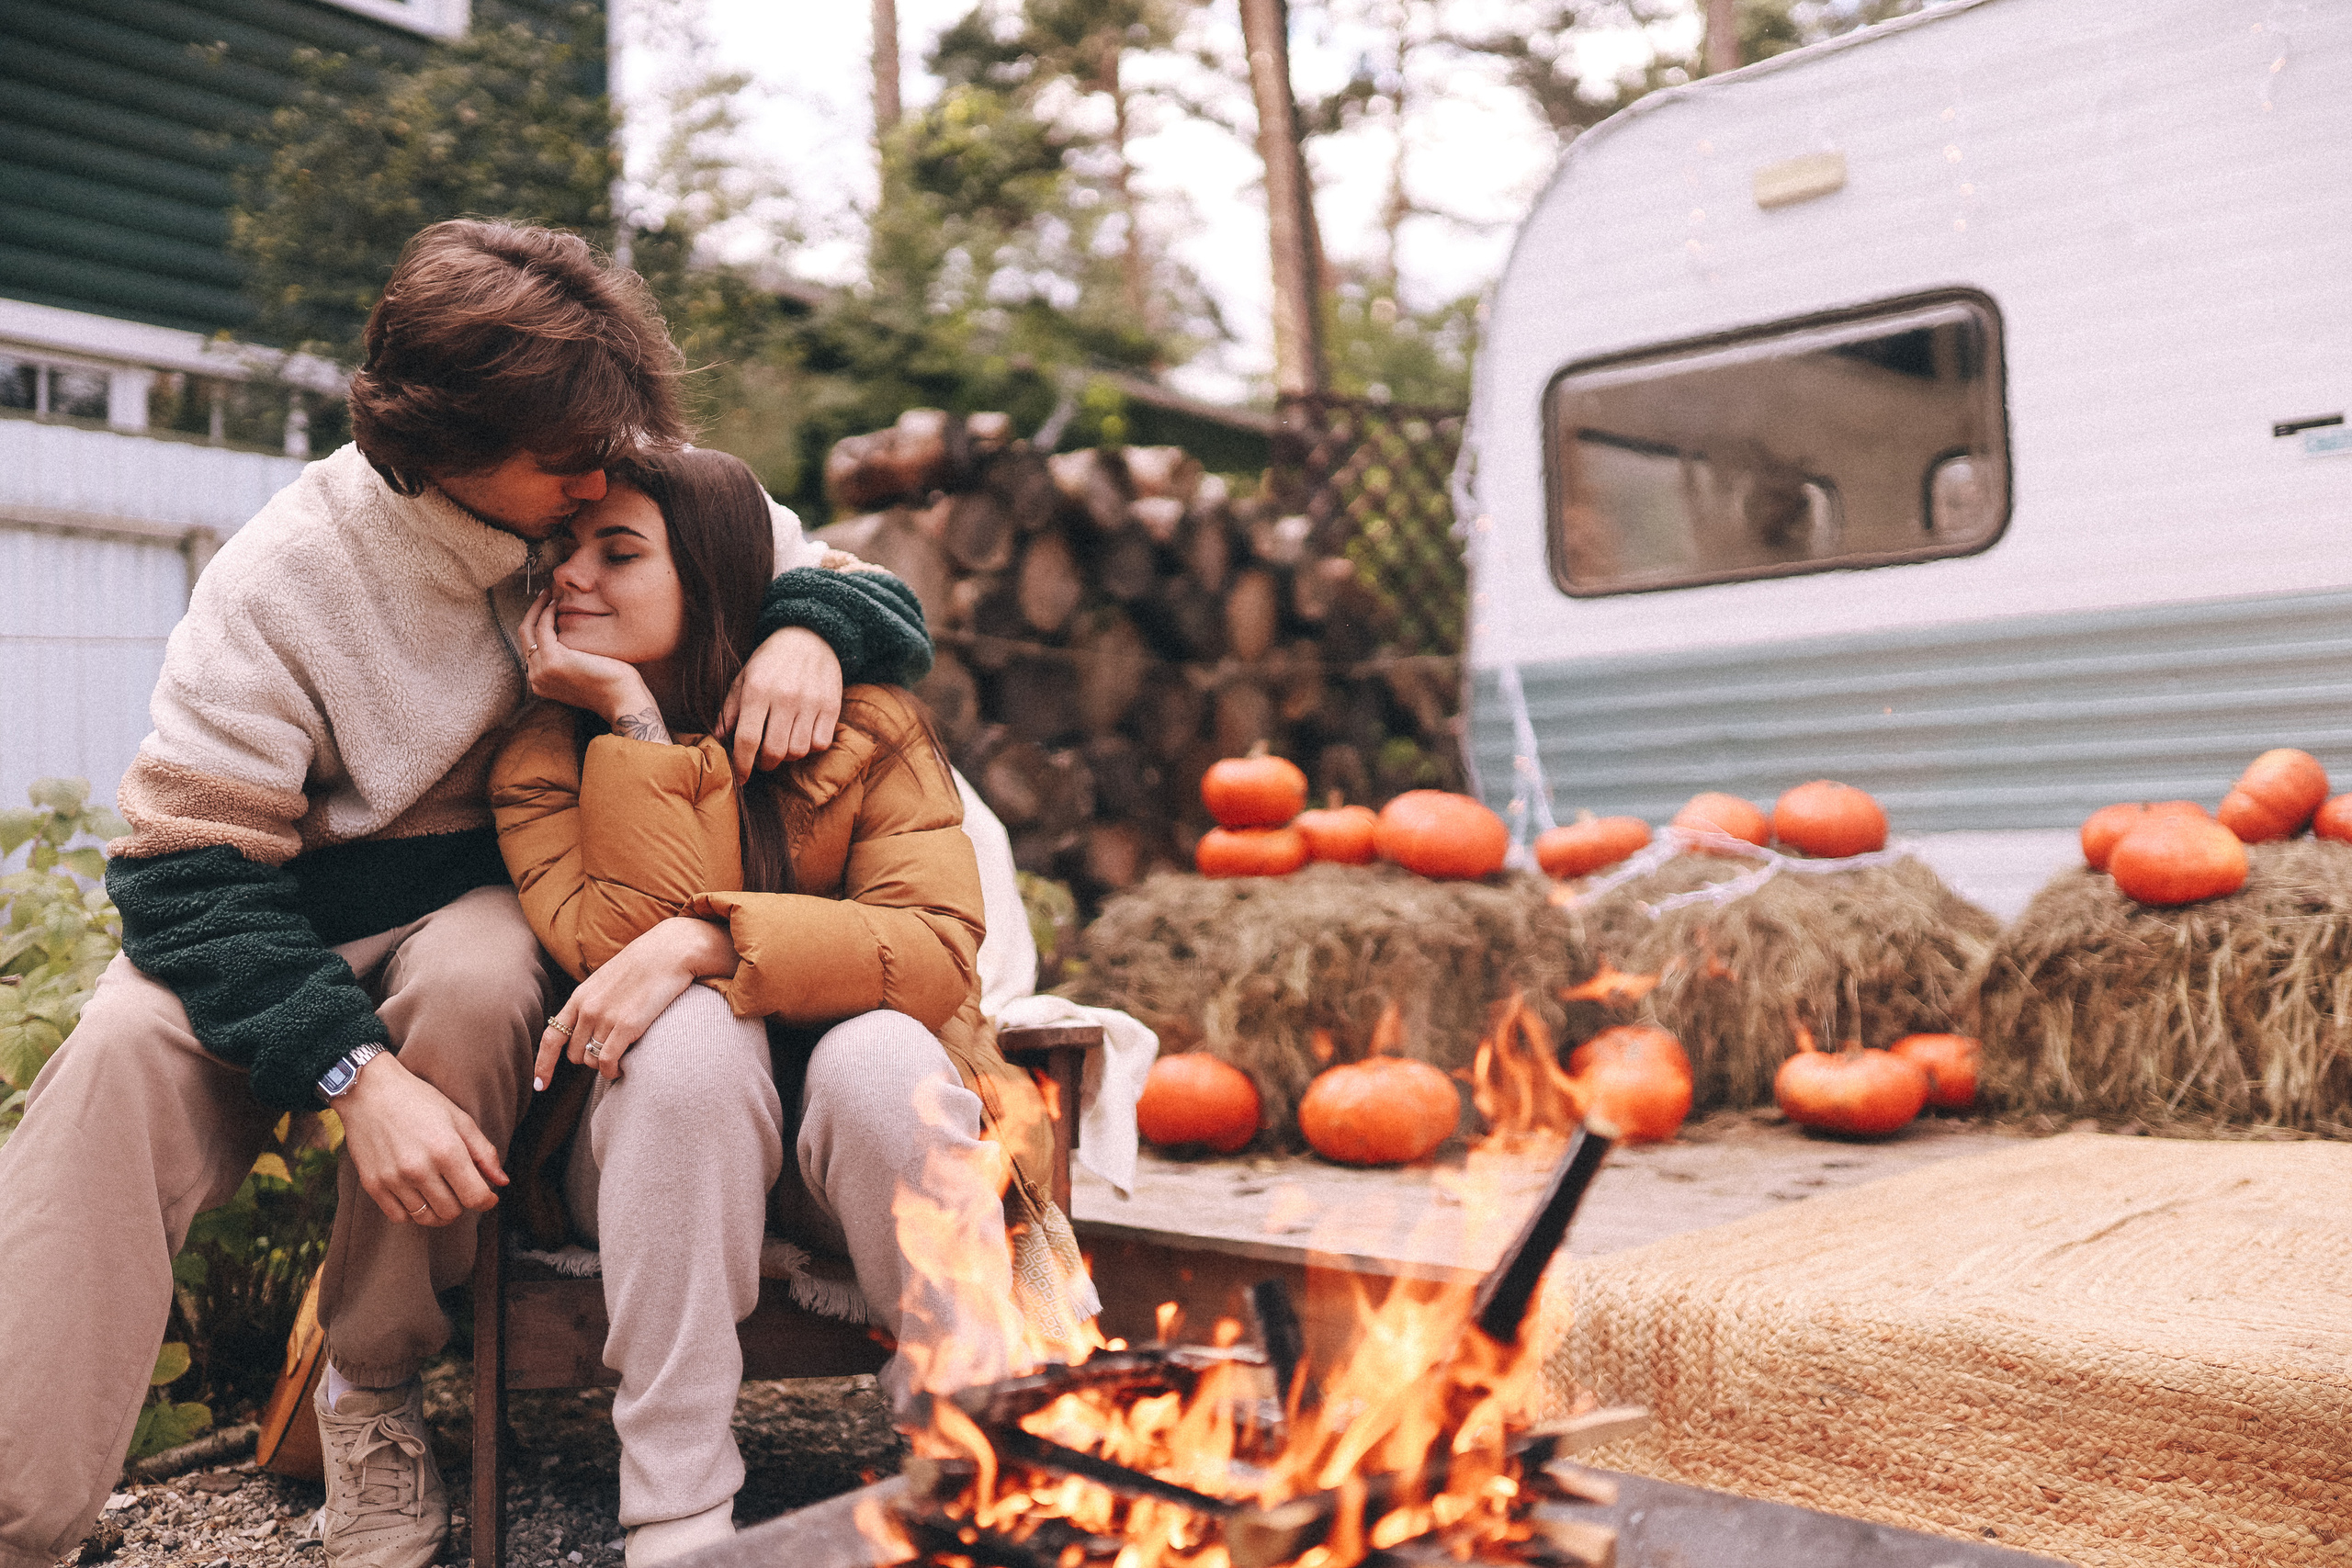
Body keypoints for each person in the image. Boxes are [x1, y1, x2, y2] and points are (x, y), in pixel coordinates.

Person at [0, 220, 932, 1568]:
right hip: (270, 907)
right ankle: (18, 1514)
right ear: (437, 447)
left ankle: (371, 1390)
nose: (601, 477)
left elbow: (871, 589)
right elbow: (188, 870)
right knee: (111, 1064)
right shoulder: (283, 576)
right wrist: (344, 1075)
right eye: (565, 463)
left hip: (496, 898)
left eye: (611, 444)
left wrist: (808, 624)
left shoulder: (608, 475)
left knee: (480, 977)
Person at [488, 445, 1091, 1566]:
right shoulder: (542, 757)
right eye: (563, 550)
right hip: (638, 1145)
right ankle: (676, 1516)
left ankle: (973, 1470)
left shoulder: (870, 725)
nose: (573, 577)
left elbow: (932, 955)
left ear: (713, 576)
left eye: (618, 553)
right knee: (692, 1040)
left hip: (834, 1158)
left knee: (882, 1056)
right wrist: (630, 724)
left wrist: (712, 935)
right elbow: (622, 957)